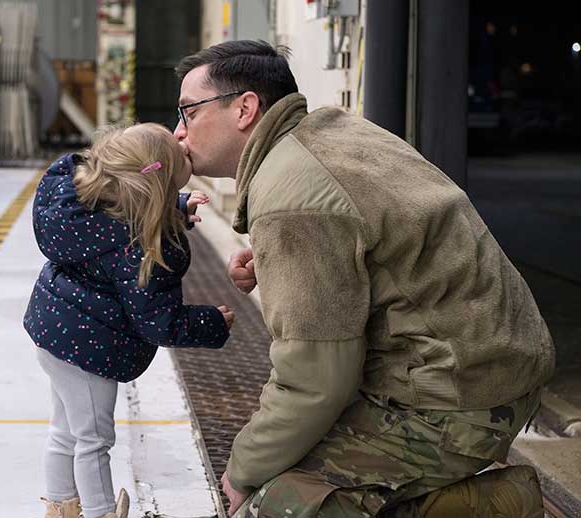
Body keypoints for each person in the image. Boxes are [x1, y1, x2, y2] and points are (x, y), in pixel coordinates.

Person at [174, 40, 555, 517]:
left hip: (459, 398)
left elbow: (314, 380)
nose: (178, 133)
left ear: (245, 108)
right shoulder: (327, 134)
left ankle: (493, 508)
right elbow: (377, 238)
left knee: (276, 504)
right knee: (286, 456)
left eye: (188, 112)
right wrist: (281, 259)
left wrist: (240, 475)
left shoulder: (293, 194)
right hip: (488, 363)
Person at [24, 122, 234, 518]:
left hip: (52, 334)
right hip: (88, 351)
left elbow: (133, 199)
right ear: (162, 180)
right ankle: (101, 511)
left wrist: (174, 206)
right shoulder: (138, 248)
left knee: (66, 430)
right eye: (182, 157)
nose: (186, 145)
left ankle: (61, 505)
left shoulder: (82, 204)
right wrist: (211, 323)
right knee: (94, 439)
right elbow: (158, 320)